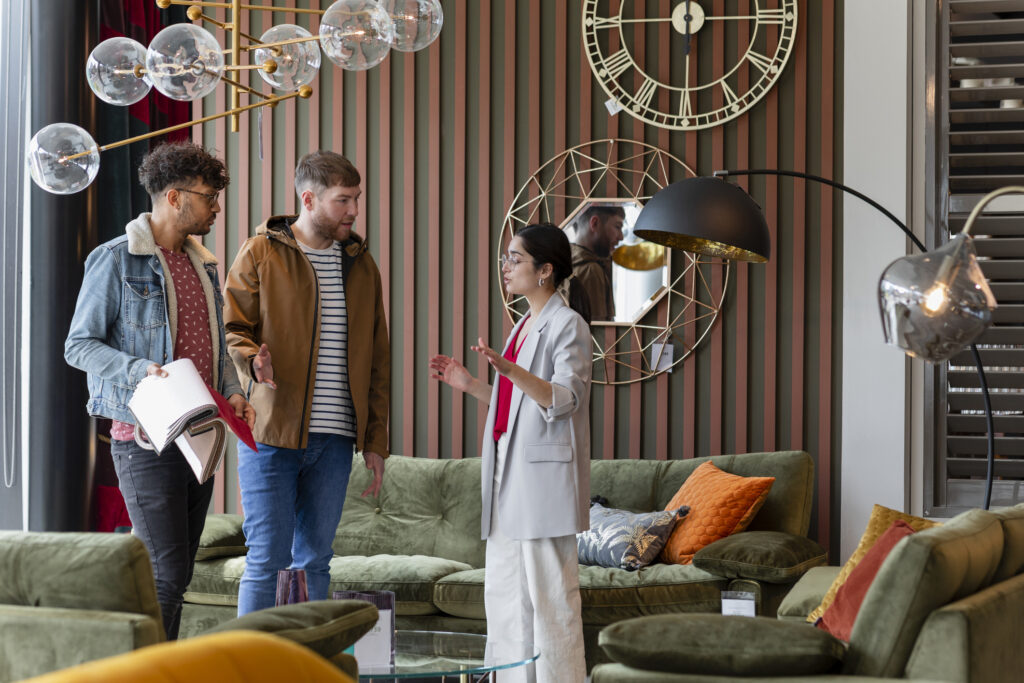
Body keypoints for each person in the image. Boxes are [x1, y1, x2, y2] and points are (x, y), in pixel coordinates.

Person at [65, 141, 254, 640]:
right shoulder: (115, 259)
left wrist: (233, 391)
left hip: (199, 438)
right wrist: (139, 370)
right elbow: (78, 345)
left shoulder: (203, 265)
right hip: (144, 439)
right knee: (164, 576)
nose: (216, 208)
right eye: (209, 197)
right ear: (174, 197)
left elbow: (215, 346)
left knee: (178, 574)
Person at [223, 150, 390, 615]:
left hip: (335, 440)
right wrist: (252, 360)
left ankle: (307, 655)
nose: (354, 210)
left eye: (356, 199)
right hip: (271, 434)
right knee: (267, 561)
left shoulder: (361, 265)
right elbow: (231, 328)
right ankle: (252, 656)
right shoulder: (260, 252)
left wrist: (375, 440)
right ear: (309, 199)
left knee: (315, 561)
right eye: (343, 200)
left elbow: (378, 358)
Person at [428, 223, 592, 683]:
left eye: (514, 259)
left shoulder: (569, 325)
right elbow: (516, 404)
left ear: (545, 270)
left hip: (543, 485)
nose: (505, 267)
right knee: (505, 599)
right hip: (506, 475)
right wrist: (471, 384)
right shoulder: (523, 325)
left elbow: (565, 399)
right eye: (506, 258)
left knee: (551, 601)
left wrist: (510, 370)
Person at [570, 205, 625, 321]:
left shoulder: (567, 265)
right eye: (617, 227)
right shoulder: (591, 271)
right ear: (594, 223)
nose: (621, 237)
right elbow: (599, 330)